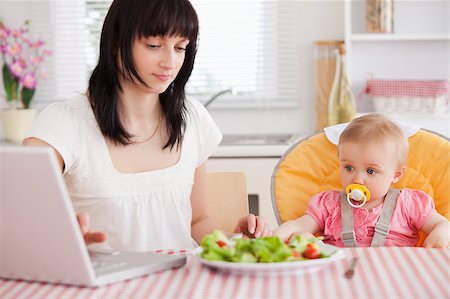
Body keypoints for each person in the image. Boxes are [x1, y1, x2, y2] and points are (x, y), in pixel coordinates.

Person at [23, 0, 271, 252]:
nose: (170, 62)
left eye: (180, 47)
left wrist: (231, 242)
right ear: (116, 43)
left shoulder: (192, 117)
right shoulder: (64, 123)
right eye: (154, 45)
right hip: (106, 288)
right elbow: (19, 219)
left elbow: (197, 221)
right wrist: (61, 240)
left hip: (180, 284)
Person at [274, 113, 449, 248]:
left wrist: (439, 235)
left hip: (395, 275)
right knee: (300, 236)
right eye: (348, 168)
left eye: (371, 171)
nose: (357, 179)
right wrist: (272, 238)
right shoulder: (328, 203)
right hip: (341, 274)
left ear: (396, 174)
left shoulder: (409, 203)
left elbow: (441, 223)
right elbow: (299, 224)